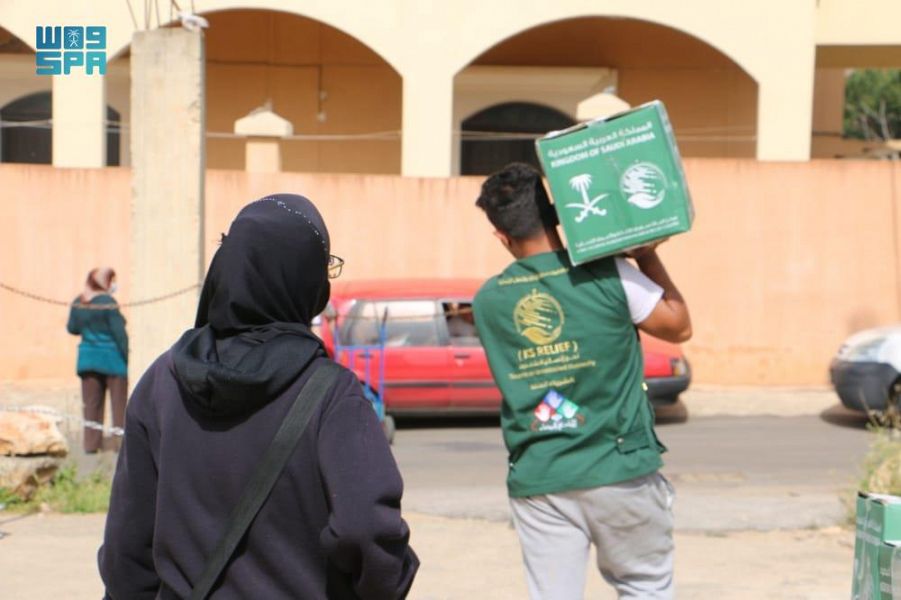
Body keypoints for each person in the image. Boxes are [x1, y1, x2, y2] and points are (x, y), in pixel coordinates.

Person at [98, 194, 419, 599]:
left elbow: (128, 544)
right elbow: (366, 528)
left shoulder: (162, 381)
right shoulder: (331, 394)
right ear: (306, 281)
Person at [471, 163, 692, 599]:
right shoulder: (610, 274)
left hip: (541, 476)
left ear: (501, 235)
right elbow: (678, 326)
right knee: (645, 587)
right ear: (556, 216)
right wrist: (645, 254)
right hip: (621, 468)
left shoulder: (488, 301)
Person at [66, 267, 128, 454]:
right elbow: (120, 334)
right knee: (118, 405)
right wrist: (126, 357)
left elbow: (72, 328)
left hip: (88, 360)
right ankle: (121, 446)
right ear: (104, 282)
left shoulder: (79, 301)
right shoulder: (108, 303)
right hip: (113, 360)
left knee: (91, 405)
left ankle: (92, 445)